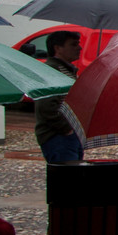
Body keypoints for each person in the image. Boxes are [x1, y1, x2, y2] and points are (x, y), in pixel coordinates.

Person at [33, 30, 83, 163]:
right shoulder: (51, 71)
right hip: (58, 137)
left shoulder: (66, 70)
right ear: (57, 48)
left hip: (70, 136)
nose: (79, 48)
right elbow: (46, 106)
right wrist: (67, 129)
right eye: (73, 44)